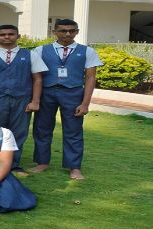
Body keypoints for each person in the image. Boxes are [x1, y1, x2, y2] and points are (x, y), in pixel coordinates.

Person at [31, 19, 102, 180]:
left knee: (73, 131)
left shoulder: (88, 51)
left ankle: (74, 167)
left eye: (71, 30)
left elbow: (91, 78)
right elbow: (35, 76)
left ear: (77, 32)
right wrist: (35, 99)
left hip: (73, 93)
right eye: (63, 30)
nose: (67, 34)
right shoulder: (40, 50)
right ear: (54, 32)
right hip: (46, 92)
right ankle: (42, 162)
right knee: (42, 128)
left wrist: (85, 103)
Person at [0, 24, 47, 173]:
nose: (7, 37)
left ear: (18, 36)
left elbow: (38, 79)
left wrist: (35, 101)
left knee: (18, 132)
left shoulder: (30, 55)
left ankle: (12, 165)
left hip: (21, 99)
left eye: (11, 34)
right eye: (2, 34)